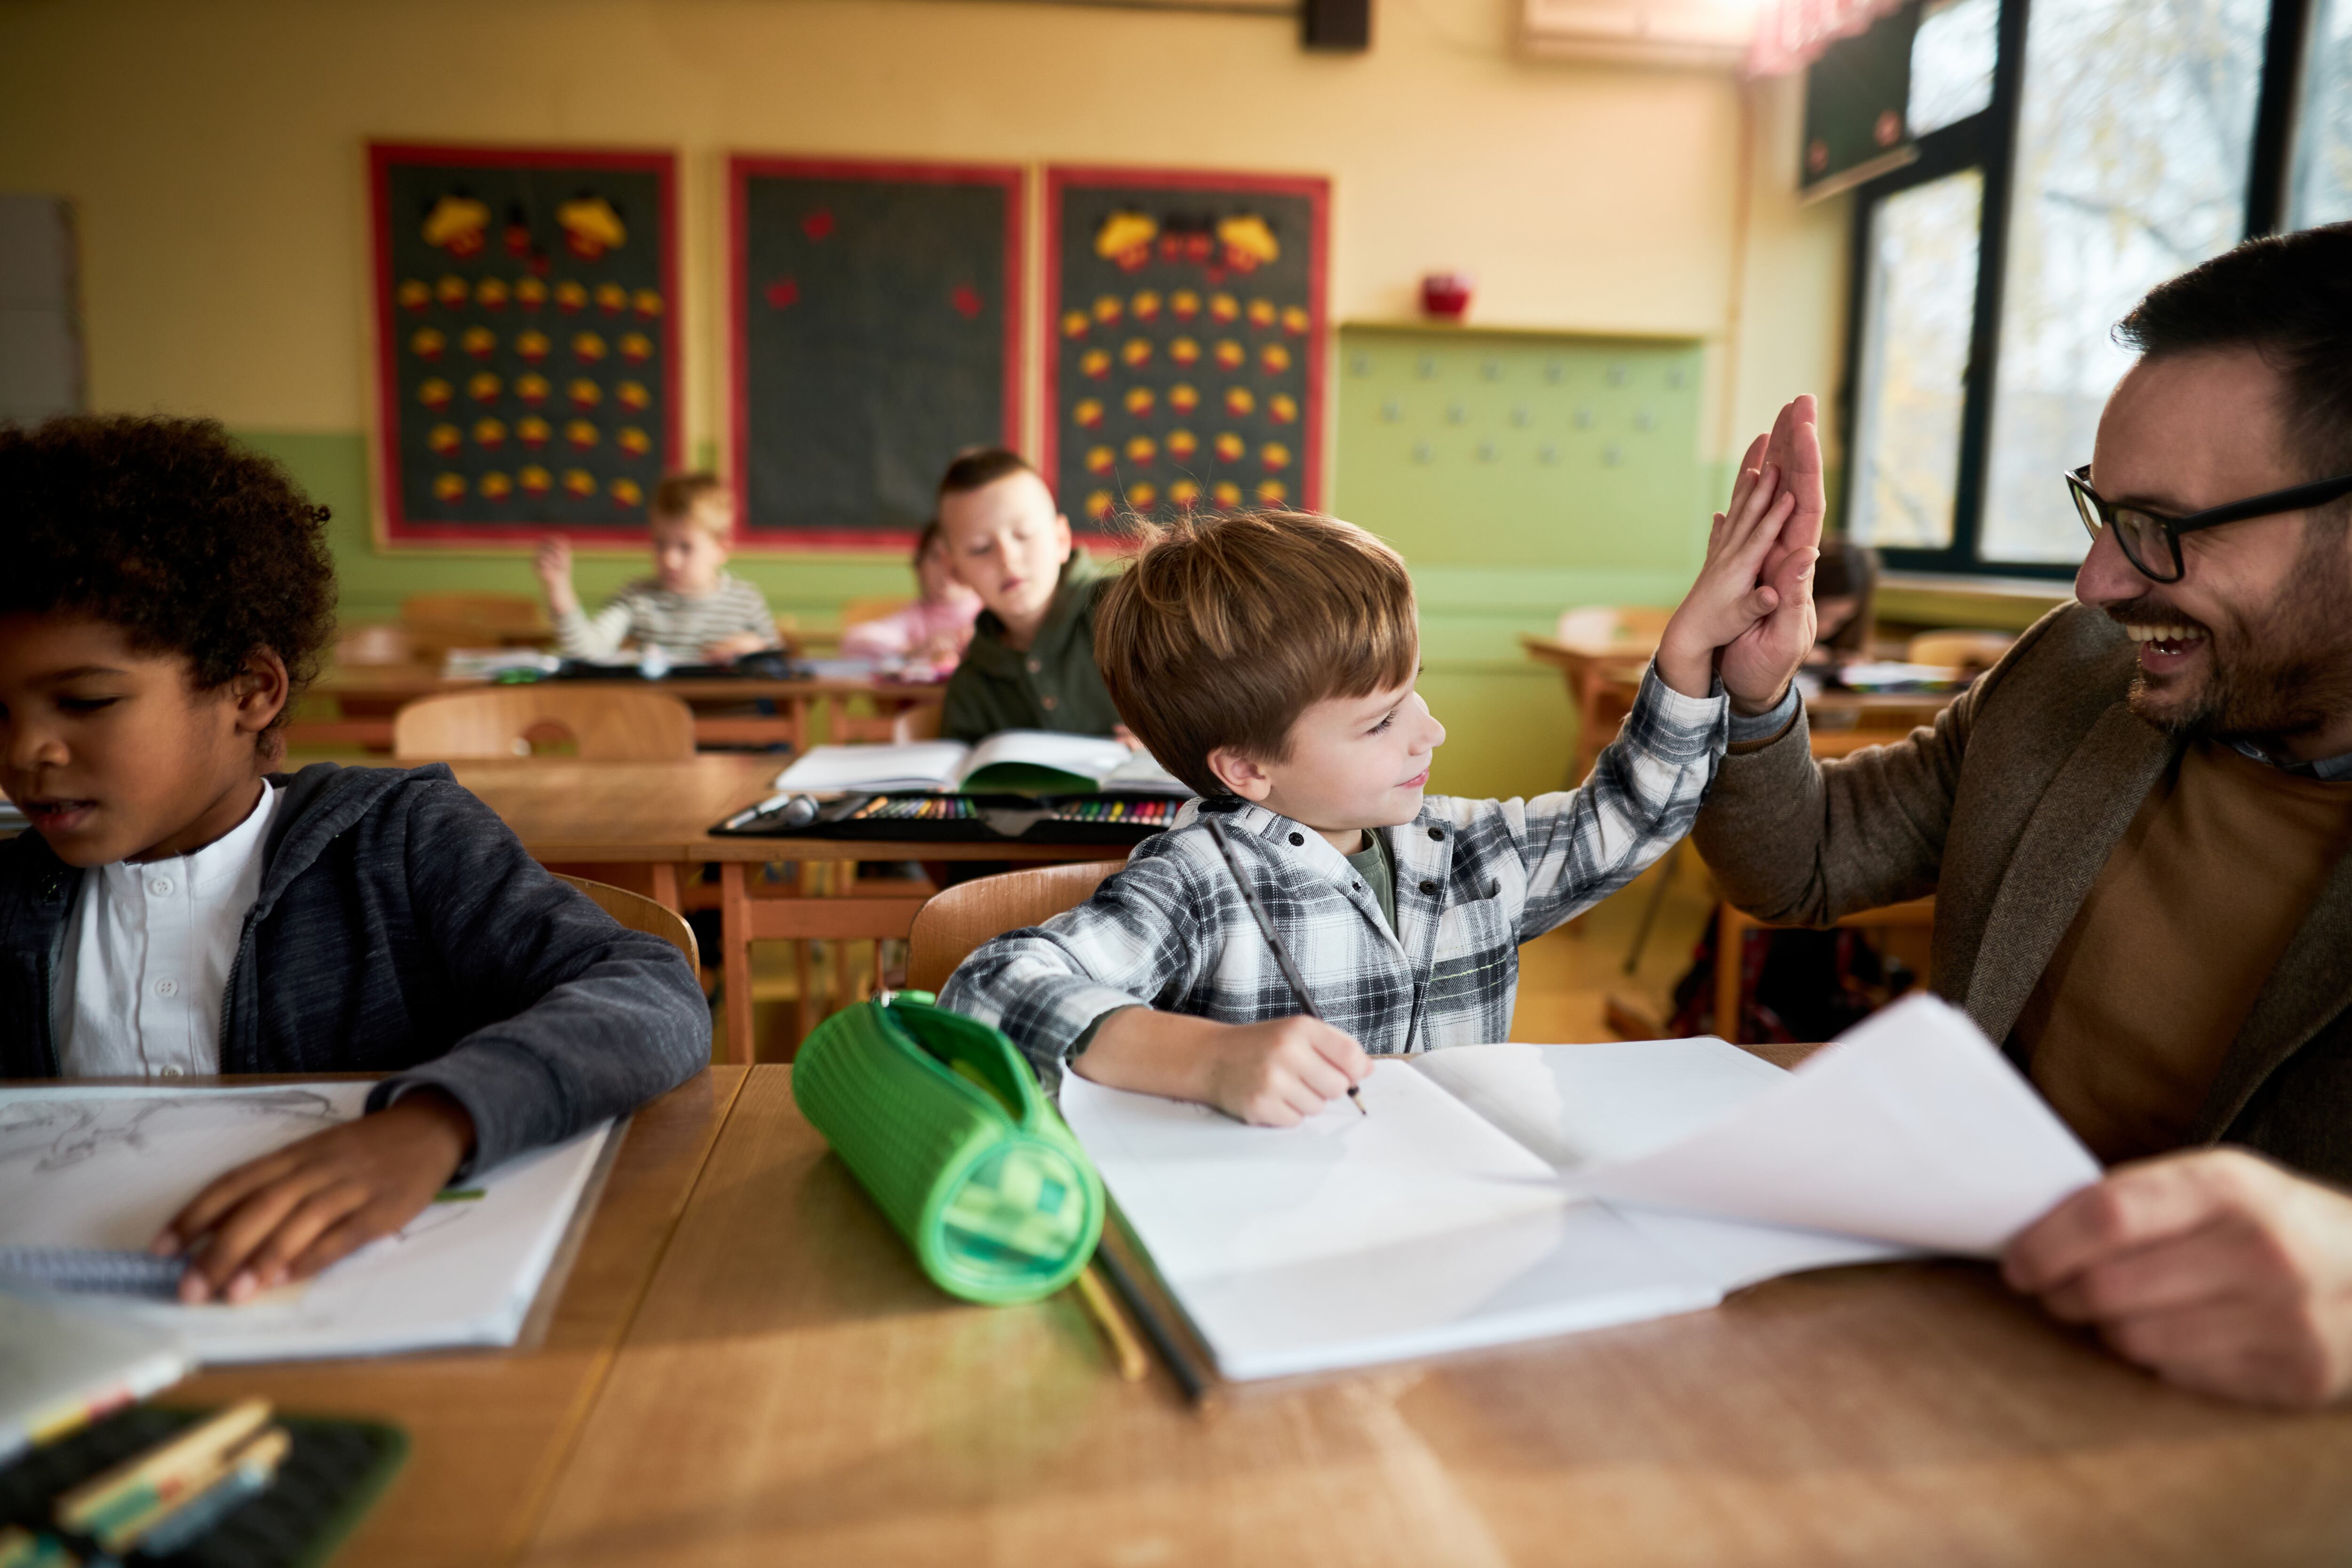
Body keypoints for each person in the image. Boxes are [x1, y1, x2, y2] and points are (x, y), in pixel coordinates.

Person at [1692, 222, 2352, 1408]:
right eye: (2102, 511)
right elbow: (1800, 861)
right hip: (1948, 1336)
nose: (2097, 583)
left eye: (2165, 529)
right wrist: (1753, 689)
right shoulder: (2081, 672)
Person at [0, 416, 711, 1306]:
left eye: (85, 701)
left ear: (251, 691)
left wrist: (435, 1122)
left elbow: (652, 992)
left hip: (378, 1302)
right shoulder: (15, 896)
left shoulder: (395, 845)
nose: (26, 751)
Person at [942, 479, 1801, 1123]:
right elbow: (986, 989)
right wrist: (1205, 1059)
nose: (1432, 731)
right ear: (1246, 769)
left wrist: (1691, 653)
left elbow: (1631, 814)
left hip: (1454, 1217)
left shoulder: (1463, 850)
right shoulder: (1200, 883)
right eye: (1381, 721)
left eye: (1413, 691)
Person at [933, 449, 1122, 742]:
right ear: (955, 571)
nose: (1007, 559)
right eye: (981, 548)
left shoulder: (1129, 611)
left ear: (1061, 539)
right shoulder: (972, 684)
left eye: (1023, 535)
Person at [534, 472, 779, 664]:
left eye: (686, 547)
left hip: (734, 713)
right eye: (660, 544)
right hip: (656, 713)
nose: (670, 560)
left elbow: (779, 663)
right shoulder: (637, 599)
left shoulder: (746, 601)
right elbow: (589, 651)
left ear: (722, 549)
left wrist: (755, 650)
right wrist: (559, 590)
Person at [839, 518, 983, 676]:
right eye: (935, 557)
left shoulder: (989, 614)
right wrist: (912, 652)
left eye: (953, 556)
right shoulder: (914, 616)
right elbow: (854, 642)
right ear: (920, 567)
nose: (945, 567)